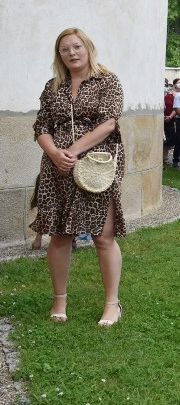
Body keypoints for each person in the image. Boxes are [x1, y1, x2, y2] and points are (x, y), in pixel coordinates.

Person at [31, 27, 126, 326]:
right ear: (58, 55)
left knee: (103, 235)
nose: (71, 53)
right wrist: (55, 154)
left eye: (76, 47)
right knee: (59, 234)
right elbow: (41, 126)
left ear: (88, 48)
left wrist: (71, 151)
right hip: (57, 167)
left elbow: (108, 123)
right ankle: (59, 300)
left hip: (97, 164)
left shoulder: (107, 81)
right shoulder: (53, 86)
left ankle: (112, 304)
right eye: (64, 49)